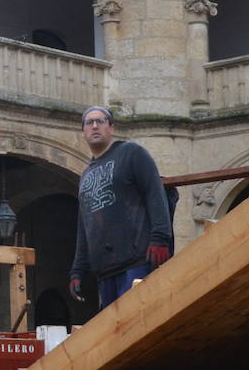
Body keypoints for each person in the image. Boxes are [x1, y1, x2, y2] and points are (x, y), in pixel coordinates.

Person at [68, 105, 173, 311]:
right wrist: (77, 270)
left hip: (136, 260)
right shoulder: (86, 175)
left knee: (136, 319)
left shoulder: (131, 153)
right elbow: (85, 225)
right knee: (115, 330)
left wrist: (160, 238)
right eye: (89, 123)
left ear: (112, 128)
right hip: (105, 269)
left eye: (101, 121)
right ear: (83, 133)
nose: (95, 126)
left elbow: (156, 194)